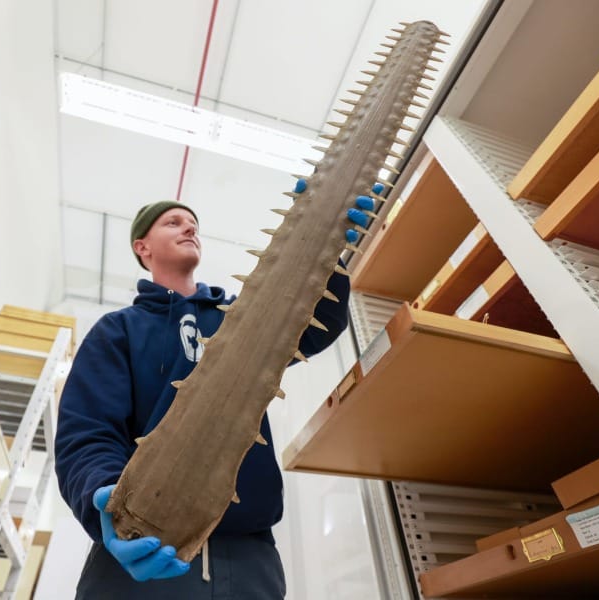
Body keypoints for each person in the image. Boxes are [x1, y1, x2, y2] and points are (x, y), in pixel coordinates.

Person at [55, 180, 378, 599]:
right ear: (142, 247)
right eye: (174, 222)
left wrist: (328, 257)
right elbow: (87, 432)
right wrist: (103, 498)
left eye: (193, 224)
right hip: (141, 554)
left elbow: (312, 326)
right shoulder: (118, 331)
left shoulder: (239, 321)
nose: (189, 229)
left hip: (249, 558)